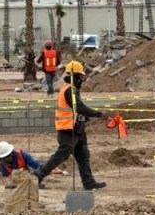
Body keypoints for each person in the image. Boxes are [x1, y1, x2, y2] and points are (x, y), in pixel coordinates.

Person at [36, 61, 107, 190]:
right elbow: (78, 107)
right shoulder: (69, 89)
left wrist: (84, 118)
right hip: (68, 130)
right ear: (75, 76)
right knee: (61, 155)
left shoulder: (71, 88)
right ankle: (39, 174)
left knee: (83, 156)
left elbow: (75, 109)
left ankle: (88, 182)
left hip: (77, 129)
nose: (82, 79)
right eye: (80, 76)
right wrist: (98, 114)